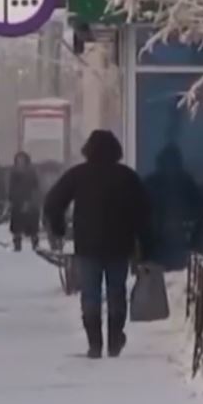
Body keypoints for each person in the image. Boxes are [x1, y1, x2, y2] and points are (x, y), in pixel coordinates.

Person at [43, 130, 154, 359]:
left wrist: (59, 227)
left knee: (90, 294)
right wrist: (144, 243)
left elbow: (53, 201)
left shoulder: (78, 175)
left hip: (87, 245)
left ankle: (94, 344)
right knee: (116, 292)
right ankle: (115, 340)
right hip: (119, 245)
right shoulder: (126, 176)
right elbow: (144, 212)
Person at [8, 151, 42, 252]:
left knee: (32, 225)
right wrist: (11, 199)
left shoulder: (31, 172)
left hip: (30, 201)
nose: (20, 161)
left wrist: (31, 200)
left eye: (22, 159)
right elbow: (11, 187)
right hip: (17, 202)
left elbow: (35, 187)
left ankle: (35, 245)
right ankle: (17, 245)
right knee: (16, 225)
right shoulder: (13, 172)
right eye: (18, 159)